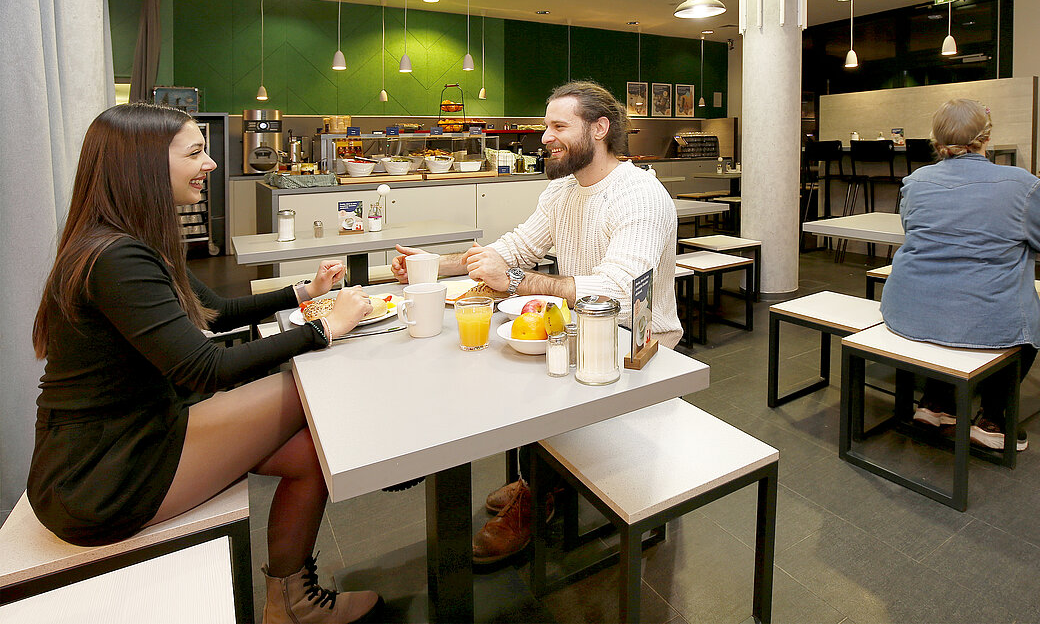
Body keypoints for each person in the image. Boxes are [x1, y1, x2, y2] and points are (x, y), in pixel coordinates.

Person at [28, 103, 379, 624]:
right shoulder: (116, 258)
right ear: (143, 166)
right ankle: (395, 470)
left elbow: (213, 314)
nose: (211, 163)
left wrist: (304, 292)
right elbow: (204, 369)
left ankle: (292, 603)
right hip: (100, 474)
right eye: (195, 153)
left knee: (308, 454)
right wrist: (324, 329)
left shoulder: (132, 242)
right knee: (309, 396)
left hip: (136, 431)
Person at [391, 79, 682, 563]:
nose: (543, 136)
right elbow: (515, 249)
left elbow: (617, 292)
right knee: (511, 368)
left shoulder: (639, 196)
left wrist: (520, 283)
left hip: (639, 346)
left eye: (557, 126)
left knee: (527, 383)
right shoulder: (563, 191)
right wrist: (433, 264)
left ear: (600, 129)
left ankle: (541, 490)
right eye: (545, 125)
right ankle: (539, 478)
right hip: (578, 330)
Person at [879, 99, 1040, 452]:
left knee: (948, 306)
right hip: (984, 319)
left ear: (935, 140)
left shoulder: (915, 181)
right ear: (986, 136)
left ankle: (936, 404)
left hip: (905, 311)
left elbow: (913, 228)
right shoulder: (1022, 185)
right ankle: (994, 419)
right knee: (1016, 321)